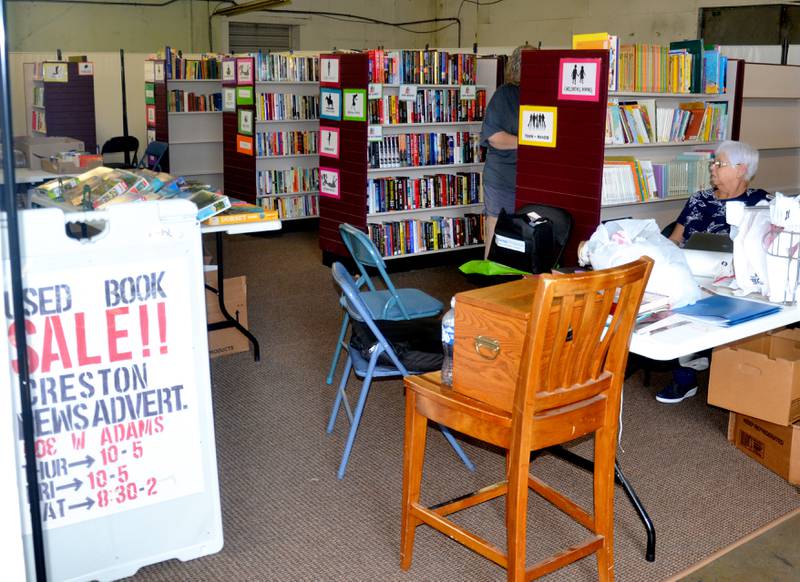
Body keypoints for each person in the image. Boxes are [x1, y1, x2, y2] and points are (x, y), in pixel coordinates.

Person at [657, 140, 769, 404]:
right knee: (679, 296)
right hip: (689, 269)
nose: (713, 168)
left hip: (732, 277)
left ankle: (698, 364)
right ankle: (686, 375)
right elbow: (674, 239)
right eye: (714, 163)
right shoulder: (699, 199)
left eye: (720, 163)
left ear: (741, 169)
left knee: (706, 299)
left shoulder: (760, 204)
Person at [480, 45, 528, 258]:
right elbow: (494, 138)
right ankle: (489, 282)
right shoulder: (503, 95)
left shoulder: (541, 95)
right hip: (503, 177)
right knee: (496, 227)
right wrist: (529, 141)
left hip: (529, 178)